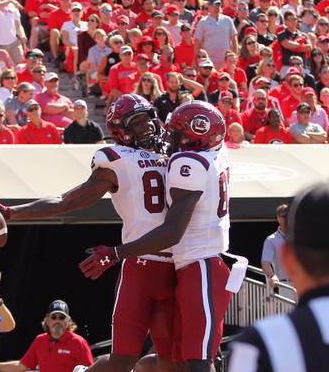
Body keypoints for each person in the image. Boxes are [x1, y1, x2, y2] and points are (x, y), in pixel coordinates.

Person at [0, 94, 177, 372]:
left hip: (178, 264)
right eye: (138, 122)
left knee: (173, 360)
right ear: (120, 130)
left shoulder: (173, 154)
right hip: (140, 264)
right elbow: (67, 201)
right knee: (122, 359)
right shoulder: (116, 159)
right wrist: (11, 212)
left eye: (150, 119)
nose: (149, 127)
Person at [79, 100, 248, 372]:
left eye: (179, 133)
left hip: (199, 263)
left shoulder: (189, 162)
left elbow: (171, 232)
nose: (169, 136)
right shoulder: (214, 151)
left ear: (196, 136)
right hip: (188, 265)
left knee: (197, 360)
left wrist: (115, 253)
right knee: (177, 359)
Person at [228, 182, 329, 372]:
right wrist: (273, 275)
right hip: (285, 285)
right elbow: (265, 262)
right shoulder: (272, 240)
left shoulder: (259, 344)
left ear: (288, 258)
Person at [0, 300, 94, 372]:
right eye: (53, 317)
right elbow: (20, 366)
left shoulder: (78, 342)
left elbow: (90, 370)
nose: (57, 321)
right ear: (47, 320)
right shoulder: (40, 340)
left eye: (61, 317)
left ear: (68, 320)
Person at [194, 0, 238, 69]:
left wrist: (234, 57)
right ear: (209, 6)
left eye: (218, 4)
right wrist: (198, 59)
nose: (216, 7)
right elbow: (197, 42)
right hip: (209, 62)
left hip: (226, 62)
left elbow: (234, 39)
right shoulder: (203, 22)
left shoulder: (227, 20)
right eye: (214, 5)